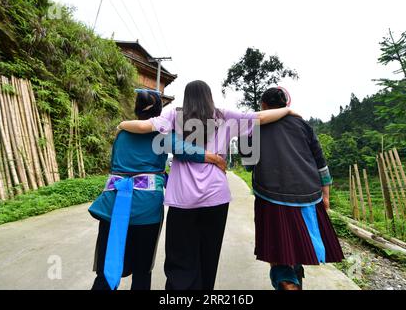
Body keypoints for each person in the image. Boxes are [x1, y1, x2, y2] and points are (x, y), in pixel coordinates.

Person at [118, 80, 298, 290]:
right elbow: (260, 117)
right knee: (208, 255)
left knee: (180, 256)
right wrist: (288, 111)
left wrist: (122, 125)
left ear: (187, 97)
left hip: (183, 199)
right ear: (209, 96)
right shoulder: (223, 115)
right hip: (216, 197)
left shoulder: (175, 115)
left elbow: (143, 126)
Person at [88, 89, 226, 290]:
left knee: (107, 269)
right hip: (145, 209)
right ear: (160, 111)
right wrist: (215, 158)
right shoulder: (161, 134)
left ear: (136, 109)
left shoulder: (122, 133)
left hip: (113, 204)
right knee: (142, 271)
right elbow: (187, 150)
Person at [242, 87, 344, 290]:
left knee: (278, 247)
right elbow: (320, 162)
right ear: (286, 104)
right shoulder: (303, 125)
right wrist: (326, 195)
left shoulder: (252, 126)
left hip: (270, 194)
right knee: (297, 241)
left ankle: (287, 282)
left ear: (263, 105)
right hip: (308, 193)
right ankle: (294, 278)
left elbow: (248, 164)